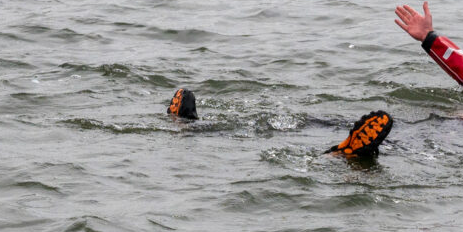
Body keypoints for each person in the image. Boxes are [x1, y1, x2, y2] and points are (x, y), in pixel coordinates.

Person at [166, 88, 393, 158]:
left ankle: (185, 124)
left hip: (321, 123)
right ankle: (341, 152)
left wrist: (427, 38)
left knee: (284, 126)